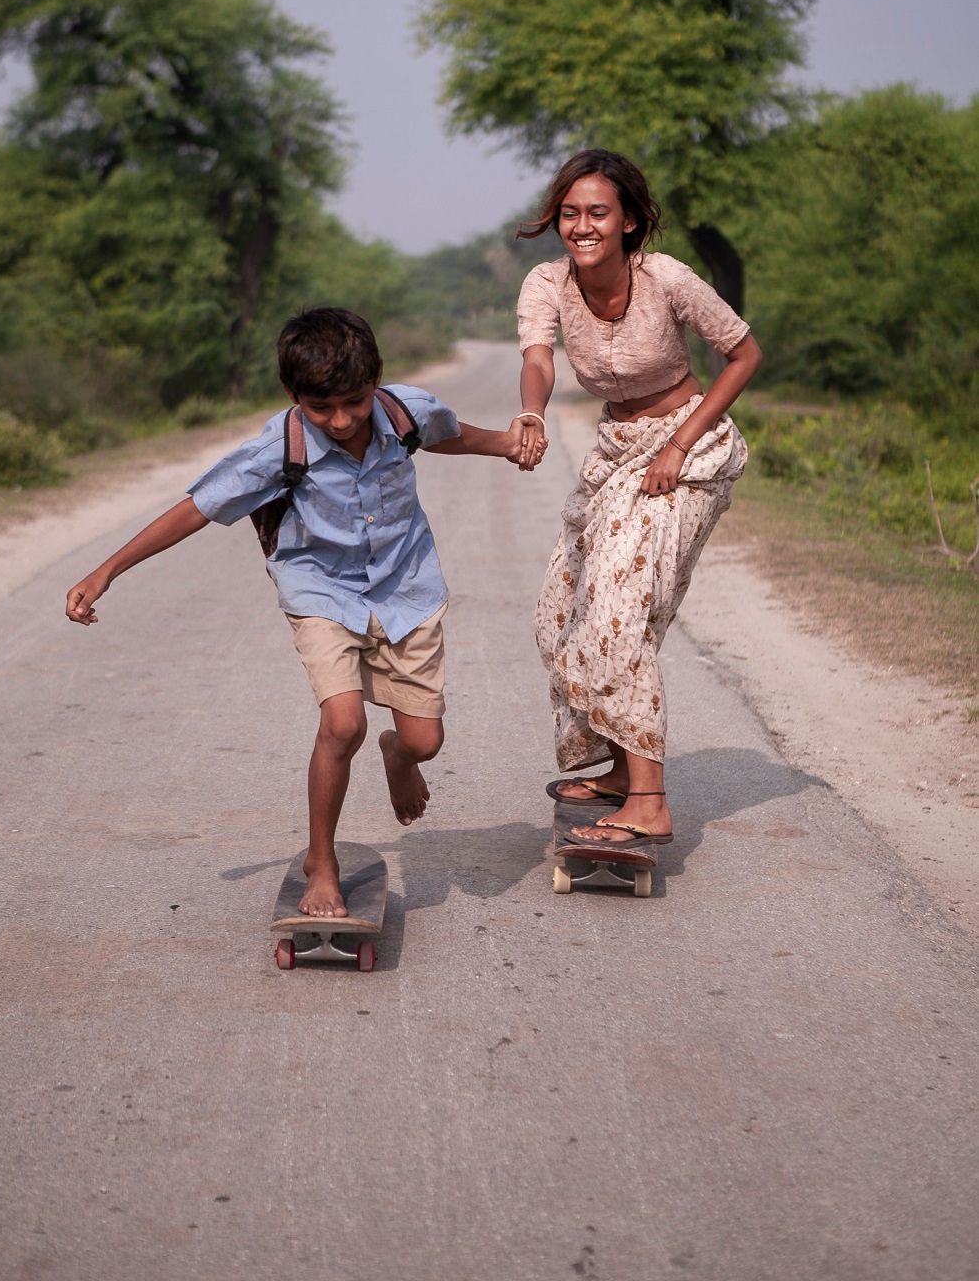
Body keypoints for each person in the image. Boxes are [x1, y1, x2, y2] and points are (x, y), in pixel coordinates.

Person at [66, 307, 541, 918]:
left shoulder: (404, 412)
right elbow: (197, 508)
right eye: (322, 409)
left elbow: (451, 433)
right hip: (320, 592)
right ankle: (323, 860)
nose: (341, 421)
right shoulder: (276, 450)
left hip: (406, 588)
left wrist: (507, 444)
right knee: (343, 724)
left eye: (354, 402)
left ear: (376, 383)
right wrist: (106, 570)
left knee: (424, 740)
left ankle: (398, 757)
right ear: (294, 396)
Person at [515, 149, 762, 850]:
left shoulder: (667, 278)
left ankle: (649, 802)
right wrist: (531, 415)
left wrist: (680, 443)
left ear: (628, 221)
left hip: (688, 454)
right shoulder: (547, 282)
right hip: (617, 455)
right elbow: (538, 357)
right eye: (570, 213)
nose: (583, 226)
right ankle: (621, 771)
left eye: (598, 212)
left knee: (619, 613)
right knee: (559, 611)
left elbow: (744, 353)